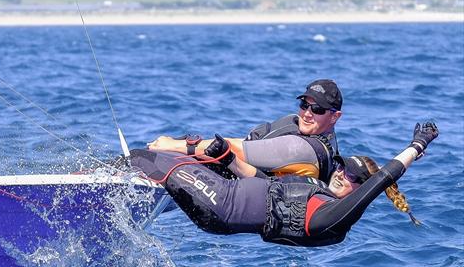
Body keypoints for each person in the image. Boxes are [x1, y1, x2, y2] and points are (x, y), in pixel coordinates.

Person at [131, 122, 438, 247]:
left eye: (354, 178)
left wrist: (417, 145)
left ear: (361, 191)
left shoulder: (334, 217)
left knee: (150, 158)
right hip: (224, 195)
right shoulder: (313, 189)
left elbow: (386, 175)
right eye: (343, 166)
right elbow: (264, 184)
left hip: (222, 205)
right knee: (164, 162)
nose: (342, 173)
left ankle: (89, 182)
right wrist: (228, 160)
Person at [148, 79, 343, 183]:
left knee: (168, 152)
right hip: (263, 178)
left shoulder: (303, 148)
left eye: (317, 109)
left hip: (253, 193)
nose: (307, 113)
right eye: (304, 105)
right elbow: (255, 146)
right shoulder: (315, 135)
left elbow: (231, 148)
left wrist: (172, 145)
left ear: (335, 117)